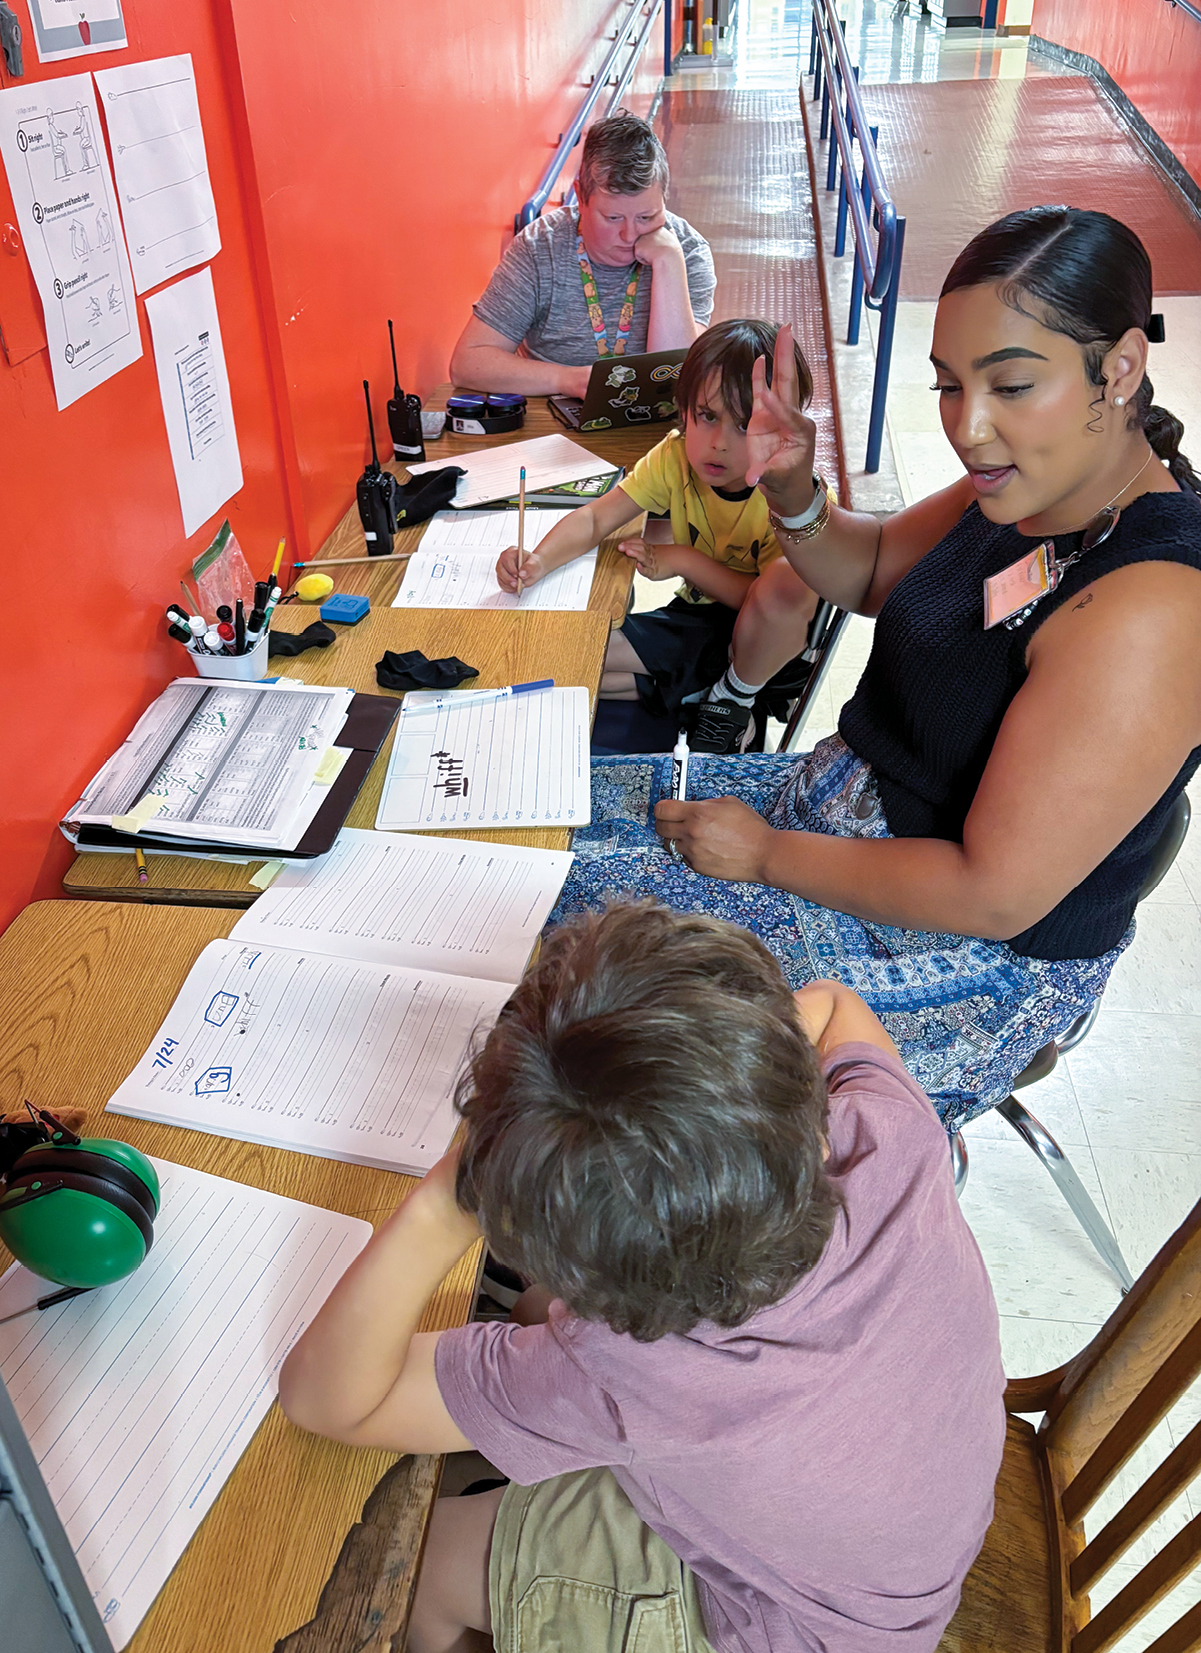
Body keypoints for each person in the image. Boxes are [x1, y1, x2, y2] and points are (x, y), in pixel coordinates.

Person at [549, 207, 1201, 1128]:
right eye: (947, 386)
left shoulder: (1152, 606)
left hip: (956, 952)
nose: (968, 429)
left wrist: (767, 855)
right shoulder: (1032, 488)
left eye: (1010, 386)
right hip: (841, 815)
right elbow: (865, 569)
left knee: (574, 980)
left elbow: (992, 891)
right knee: (542, 827)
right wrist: (790, 492)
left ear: (1120, 368)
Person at [278, 901, 1006, 1653]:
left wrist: (441, 1206)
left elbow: (327, 1400)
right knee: (526, 1312)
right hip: (902, 1535)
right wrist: (717, 1095)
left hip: (784, 1630)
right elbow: (835, 1005)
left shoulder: (627, 1375)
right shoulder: (887, 1135)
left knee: (420, 1556)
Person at [495, 319, 819, 742]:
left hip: (765, 649)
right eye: (707, 416)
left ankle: (735, 696)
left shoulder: (788, 495)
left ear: (781, 434)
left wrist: (681, 560)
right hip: (695, 622)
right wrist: (538, 559)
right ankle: (702, 695)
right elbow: (596, 518)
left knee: (581, 659)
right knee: (568, 663)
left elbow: (767, 604)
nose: (719, 441)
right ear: (684, 410)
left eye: (745, 426)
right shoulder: (674, 457)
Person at [450, 110, 716, 398]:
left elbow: (677, 378)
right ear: (580, 198)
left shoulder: (687, 250)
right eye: (613, 218)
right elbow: (468, 364)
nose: (630, 235)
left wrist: (668, 263)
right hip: (554, 424)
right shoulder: (539, 247)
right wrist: (569, 381)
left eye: (646, 217)